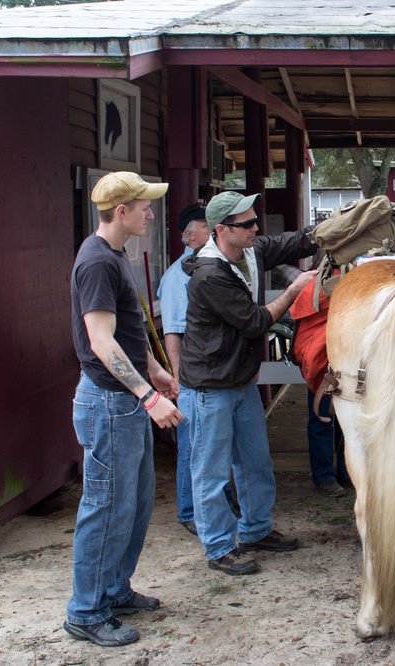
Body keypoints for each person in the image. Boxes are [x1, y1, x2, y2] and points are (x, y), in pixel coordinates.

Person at [65, 172, 182, 647]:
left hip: (124, 402)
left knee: (132, 505)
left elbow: (129, 334)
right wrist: (149, 396)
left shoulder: (115, 255)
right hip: (110, 404)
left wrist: (153, 369)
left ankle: (113, 590)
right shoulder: (97, 262)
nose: (150, 214)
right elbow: (101, 342)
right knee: (106, 507)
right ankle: (86, 610)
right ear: (121, 212)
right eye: (144, 207)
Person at [181, 190, 318, 576]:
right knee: (211, 473)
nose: (257, 227)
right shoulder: (209, 274)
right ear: (222, 230)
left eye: (255, 220)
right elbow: (256, 321)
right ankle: (220, 547)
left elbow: (291, 241)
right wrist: (294, 290)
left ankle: (256, 530)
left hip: (240, 382)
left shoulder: (249, 250)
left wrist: (334, 227)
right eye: (248, 224)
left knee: (256, 463)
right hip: (210, 388)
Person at [158, 203, 211, 536]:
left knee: (213, 444)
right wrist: (178, 380)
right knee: (192, 444)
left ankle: (211, 503)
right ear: (189, 235)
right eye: (207, 226)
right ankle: (189, 510)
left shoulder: (213, 267)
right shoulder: (178, 277)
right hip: (190, 376)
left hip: (210, 373)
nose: (213, 230)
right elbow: (173, 333)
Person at [308, 390, 352, 497]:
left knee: (348, 420)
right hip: (322, 374)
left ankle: (347, 471)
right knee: (322, 419)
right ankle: (324, 475)